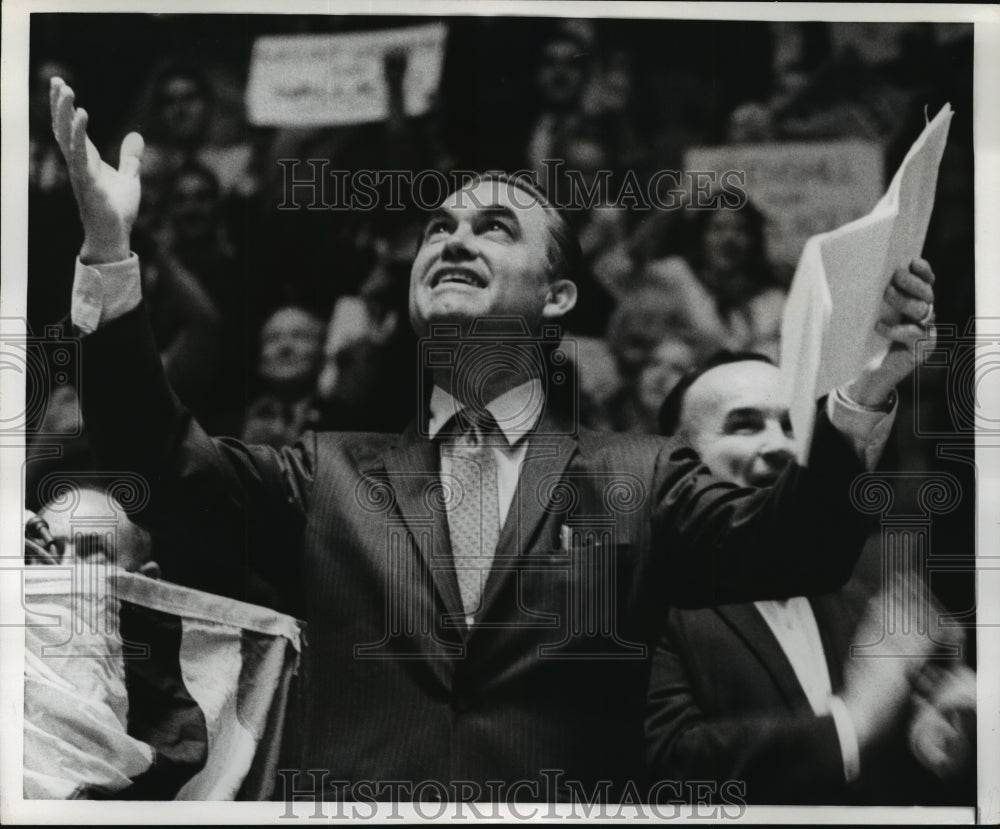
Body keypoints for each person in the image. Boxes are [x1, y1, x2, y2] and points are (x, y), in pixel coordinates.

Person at [48, 76, 937, 802]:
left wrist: (864, 389)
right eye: (438, 228)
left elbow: (800, 544)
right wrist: (110, 251)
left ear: (557, 299)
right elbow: (160, 463)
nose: (453, 240)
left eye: (493, 228)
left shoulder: (642, 476)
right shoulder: (325, 474)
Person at [645, 353, 974, 805]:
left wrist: (943, 728)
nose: (780, 446)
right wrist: (853, 720)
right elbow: (669, 765)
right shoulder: (641, 601)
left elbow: (884, 768)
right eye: (744, 426)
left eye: (793, 426)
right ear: (676, 463)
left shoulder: (853, 589)